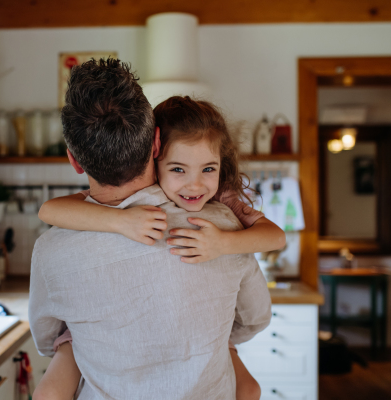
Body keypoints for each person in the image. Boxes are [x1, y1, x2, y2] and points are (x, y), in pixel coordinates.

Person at [29, 58, 273, 400]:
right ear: (156, 143)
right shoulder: (220, 227)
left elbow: (47, 340)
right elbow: (256, 319)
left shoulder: (51, 251)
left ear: (74, 159)